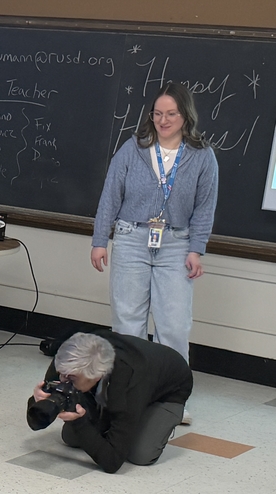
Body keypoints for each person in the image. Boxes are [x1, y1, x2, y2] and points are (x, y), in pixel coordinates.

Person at [90, 81, 218, 426]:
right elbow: (110, 195)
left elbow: (205, 208)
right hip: (131, 238)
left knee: (174, 325)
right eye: (158, 113)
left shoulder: (202, 156)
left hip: (176, 243)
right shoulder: (133, 149)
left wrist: (196, 250)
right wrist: (100, 239)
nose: (164, 120)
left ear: (185, 116)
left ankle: (171, 402)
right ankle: (125, 396)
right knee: (128, 322)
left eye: (171, 114)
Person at [27, 331, 193, 474]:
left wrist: (80, 422)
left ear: (97, 374)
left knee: (140, 454)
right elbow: (36, 423)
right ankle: (111, 414)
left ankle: (158, 416)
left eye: (71, 378)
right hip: (118, 380)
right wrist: (36, 401)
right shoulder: (68, 361)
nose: (64, 381)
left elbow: (112, 462)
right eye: (61, 375)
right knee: (71, 438)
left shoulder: (128, 380)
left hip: (168, 390)